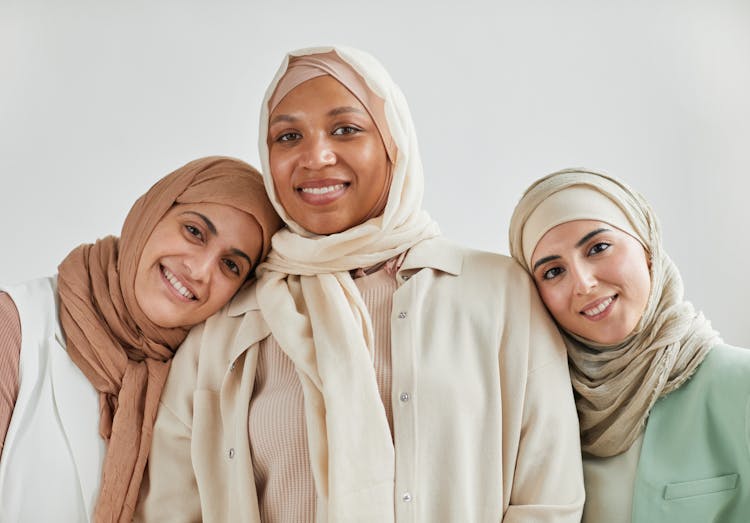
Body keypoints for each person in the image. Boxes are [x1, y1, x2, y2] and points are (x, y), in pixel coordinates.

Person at [138, 46, 584, 522]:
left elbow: (547, 495)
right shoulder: (229, 325)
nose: (316, 155)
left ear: (393, 143)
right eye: (288, 136)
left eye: (346, 129)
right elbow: (170, 506)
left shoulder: (498, 292)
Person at [0, 156, 282, 522]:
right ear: (152, 211)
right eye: (194, 231)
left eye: (231, 265)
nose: (199, 270)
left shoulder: (201, 384)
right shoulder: (18, 324)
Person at [508, 168, 750, 522]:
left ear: (648, 248)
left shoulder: (739, 386)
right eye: (553, 271)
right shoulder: (536, 411)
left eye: (598, 248)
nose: (583, 283)